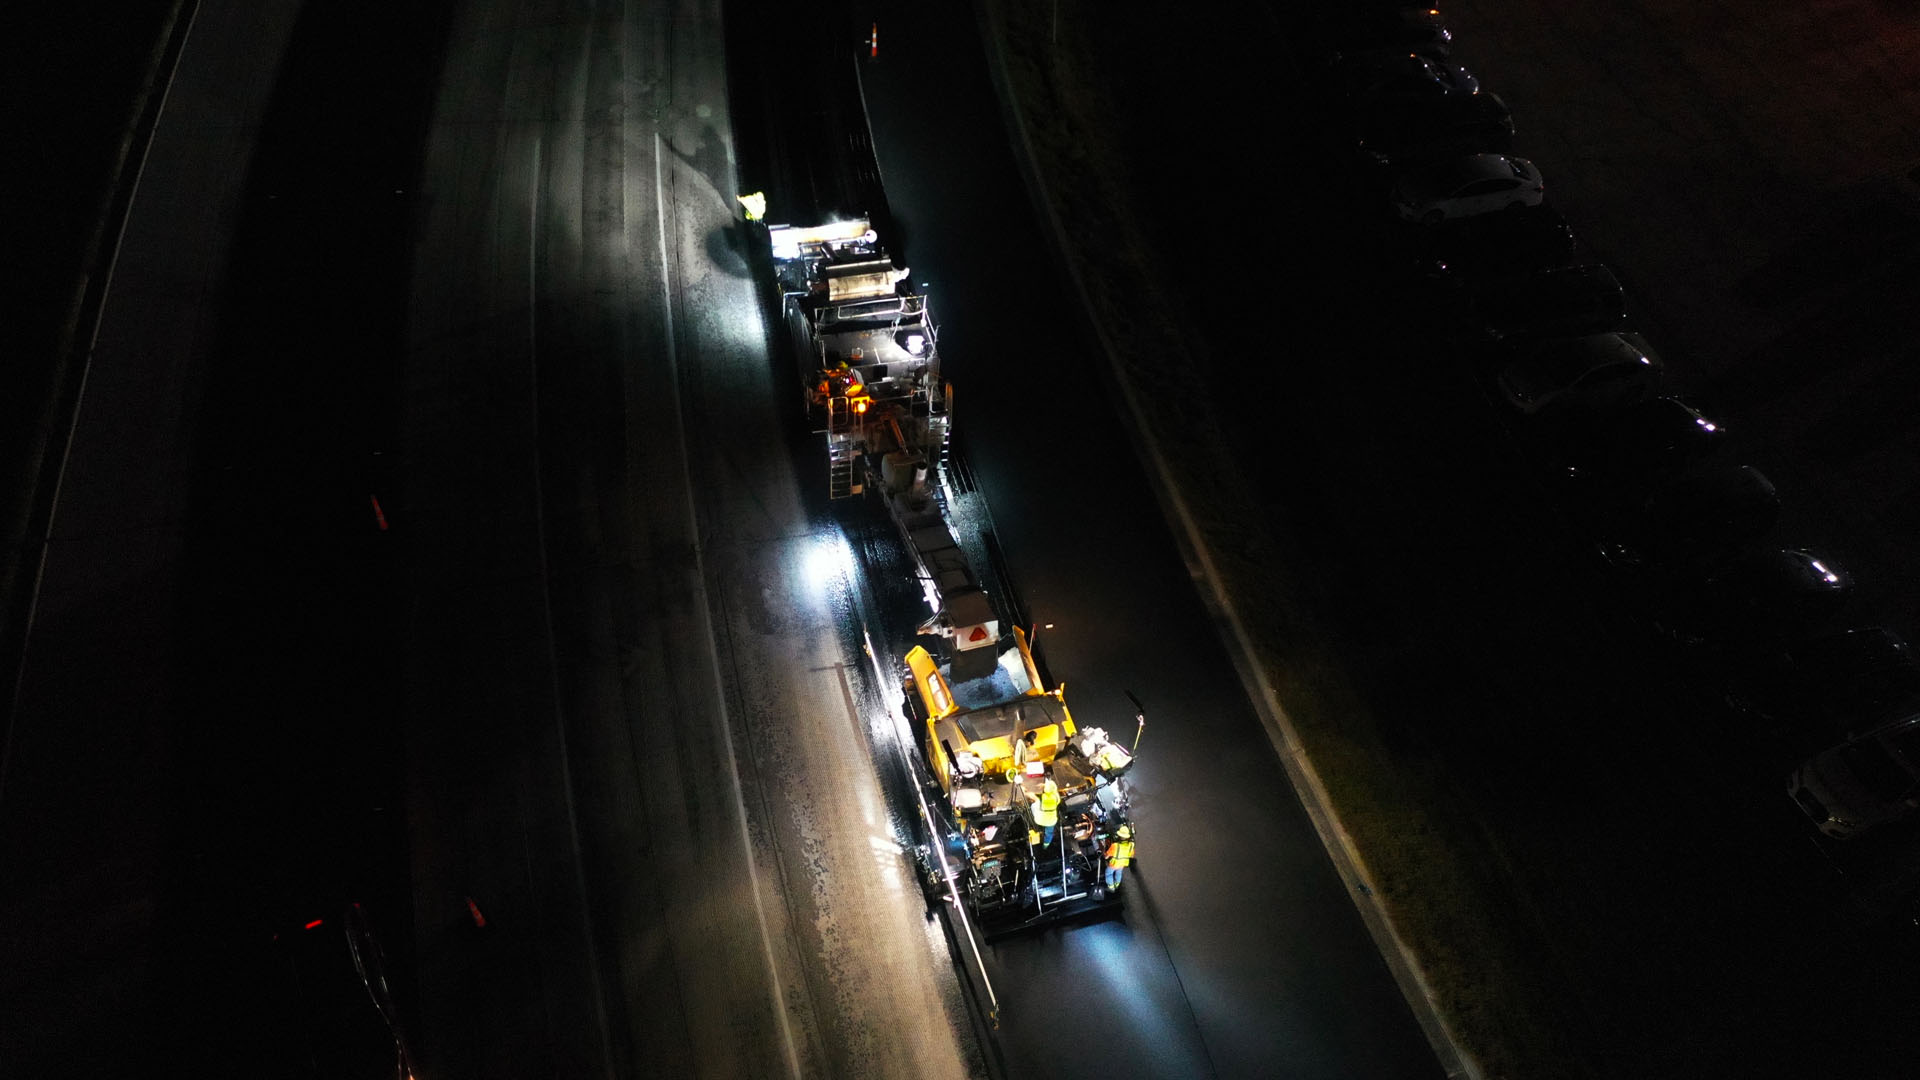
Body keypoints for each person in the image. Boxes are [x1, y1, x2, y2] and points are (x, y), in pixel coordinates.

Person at [1104, 824, 1135, 891]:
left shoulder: (1115, 846)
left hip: (1114, 864)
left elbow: (1107, 856)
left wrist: (1105, 856)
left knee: (1108, 873)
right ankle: (1117, 884)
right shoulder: (1131, 845)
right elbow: (1131, 855)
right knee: (1119, 873)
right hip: (1123, 863)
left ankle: (1111, 887)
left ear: (1119, 836)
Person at [1030, 778, 1060, 846]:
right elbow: (1052, 788)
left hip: (1041, 819)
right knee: (1049, 833)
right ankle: (1046, 844)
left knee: (1035, 803)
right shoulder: (1056, 798)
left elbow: (1036, 798)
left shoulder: (1044, 798)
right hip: (1049, 821)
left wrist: (1028, 792)